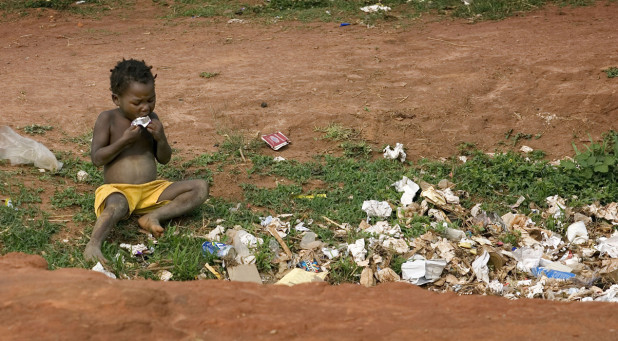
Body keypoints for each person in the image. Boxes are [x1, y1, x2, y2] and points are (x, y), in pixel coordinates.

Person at [84, 59, 209, 262]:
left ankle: (153, 216)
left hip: (151, 190)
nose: (145, 107)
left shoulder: (153, 118)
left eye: (150, 100)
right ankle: (93, 245)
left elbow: (164, 159)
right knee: (117, 206)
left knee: (200, 187)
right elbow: (97, 159)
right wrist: (123, 141)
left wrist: (161, 138)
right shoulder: (108, 119)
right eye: (137, 103)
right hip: (118, 190)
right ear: (116, 99)